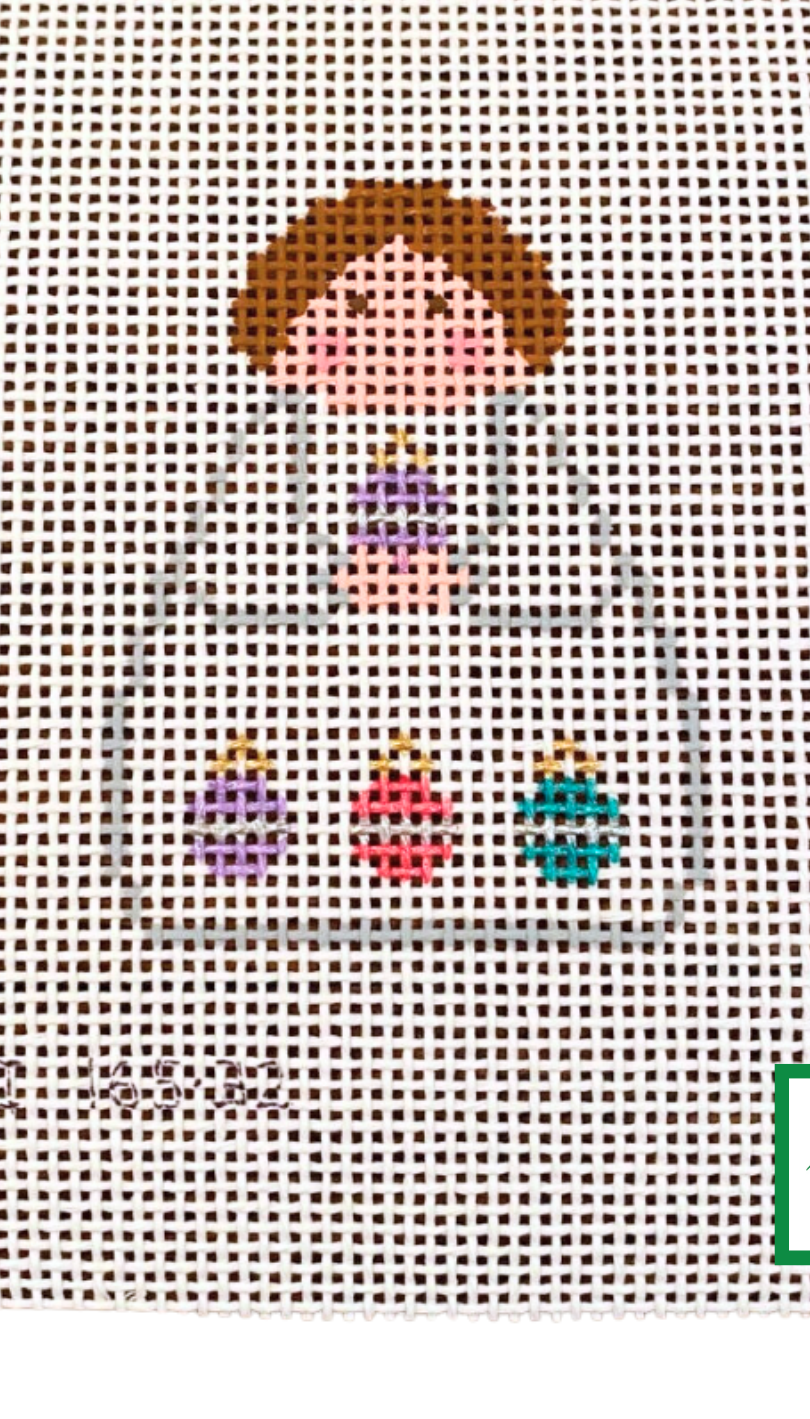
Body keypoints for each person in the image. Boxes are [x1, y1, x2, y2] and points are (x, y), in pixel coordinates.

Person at [105, 182, 704, 917]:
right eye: (356, 307)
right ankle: (264, 876)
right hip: (310, 674)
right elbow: (228, 557)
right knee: (271, 746)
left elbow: (573, 558)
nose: (398, 331)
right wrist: (324, 585)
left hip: (494, 676)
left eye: (441, 307)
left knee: (536, 746)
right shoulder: (282, 436)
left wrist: (475, 584)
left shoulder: (518, 436)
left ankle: (541, 879)